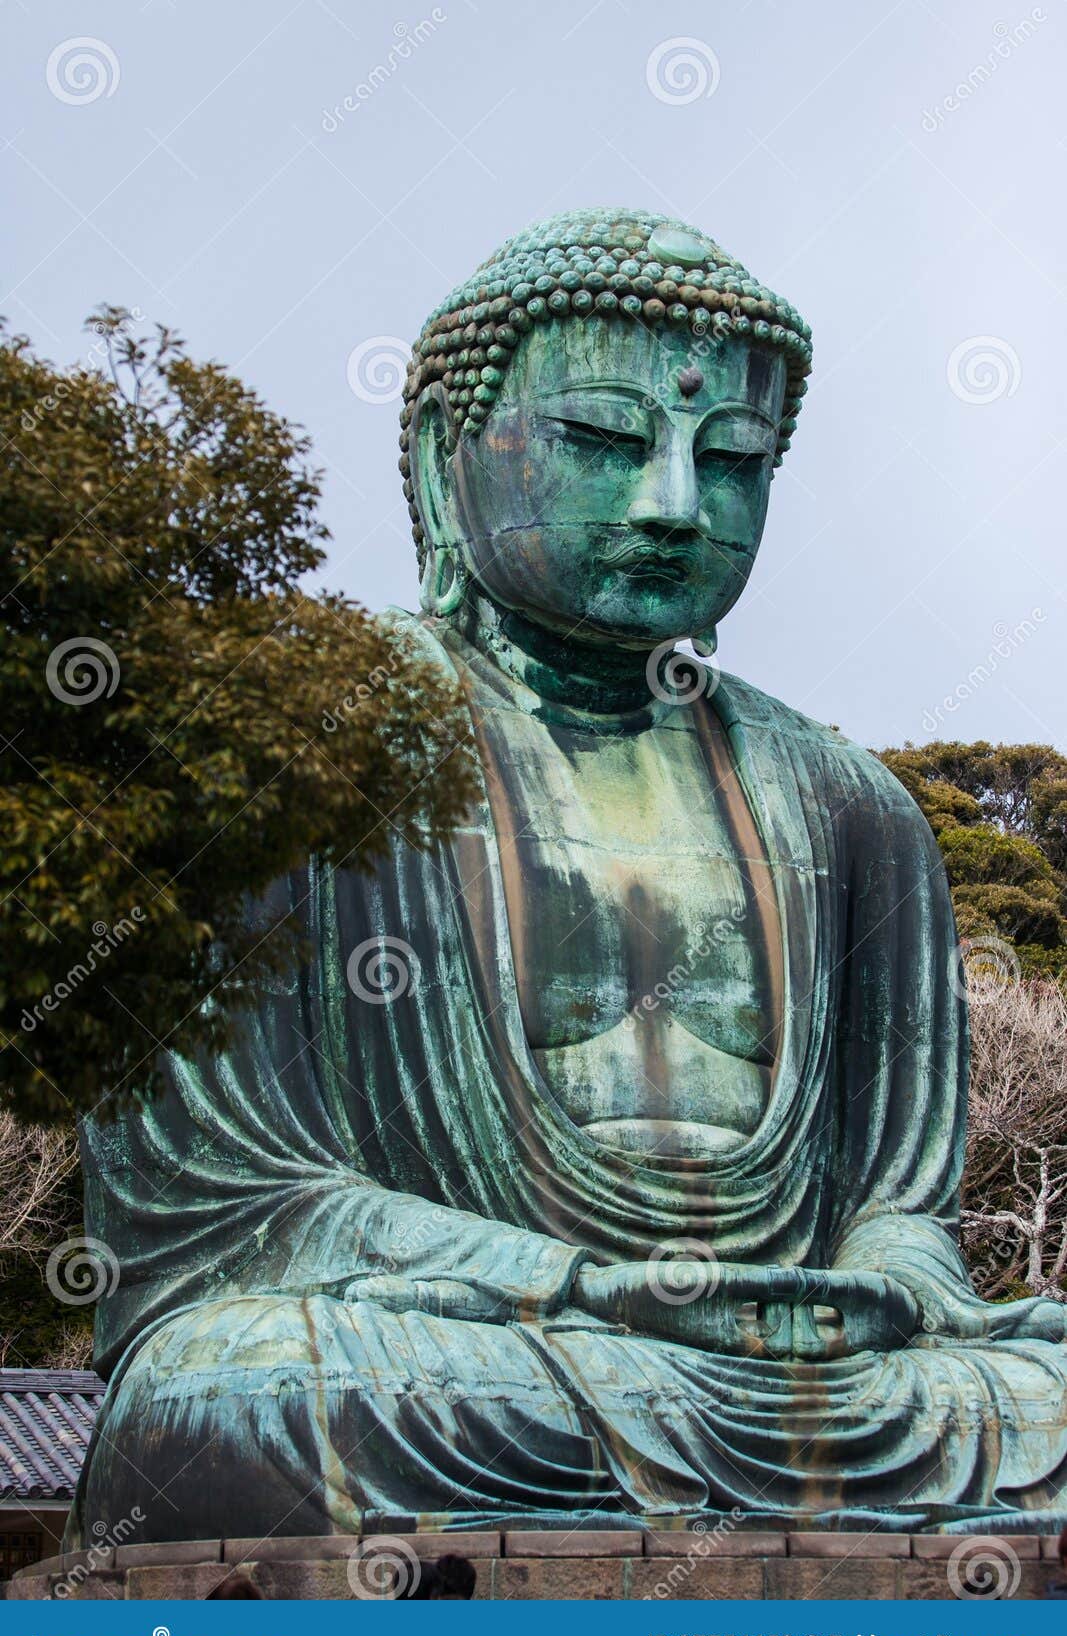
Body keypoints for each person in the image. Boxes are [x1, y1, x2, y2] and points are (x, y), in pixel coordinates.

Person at [68, 209, 1067, 1548]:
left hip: (814, 1377)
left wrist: (880, 1283)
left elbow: (895, 1203)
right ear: (441, 456)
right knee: (231, 1394)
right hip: (474, 1352)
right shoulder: (291, 758)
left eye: (733, 460)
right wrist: (583, 1282)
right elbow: (232, 1212)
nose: (672, 504)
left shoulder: (851, 808)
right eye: (603, 441)